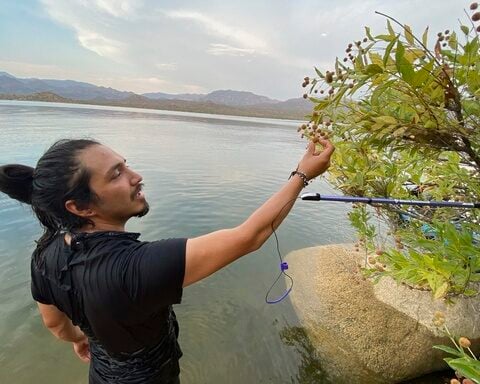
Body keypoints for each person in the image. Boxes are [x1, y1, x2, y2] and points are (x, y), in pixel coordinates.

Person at [0, 137, 334, 383]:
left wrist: (84, 337)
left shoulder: (44, 255)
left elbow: (56, 325)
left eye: (126, 165)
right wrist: (302, 175)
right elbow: (251, 236)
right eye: (116, 174)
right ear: (80, 207)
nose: (136, 175)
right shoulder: (138, 267)